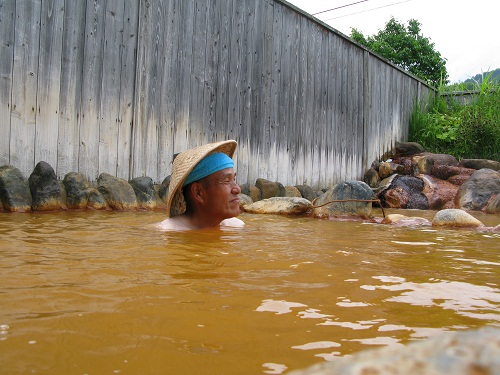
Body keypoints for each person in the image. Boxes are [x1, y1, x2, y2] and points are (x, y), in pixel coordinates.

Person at [157, 140, 245, 231]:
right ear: (198, 192)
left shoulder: (236, 226)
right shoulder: (167, 232)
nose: (237, 189)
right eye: (226, 181)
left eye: (234, 179)